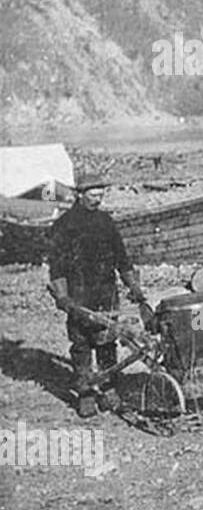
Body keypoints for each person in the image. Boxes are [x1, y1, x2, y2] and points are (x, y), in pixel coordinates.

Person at [47, 178, 147, 417]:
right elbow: (56, 267)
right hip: (79, 293)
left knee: (106, 343)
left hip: (106, 291)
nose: (98, 197)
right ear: (80, 194)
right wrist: (62, 296)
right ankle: (85, 394)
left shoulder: (106, 222)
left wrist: (133, 286)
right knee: (81, 345)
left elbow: (122, 259)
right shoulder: (64, 225)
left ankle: (109, 389)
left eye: (101, 193)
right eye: (93, 193)